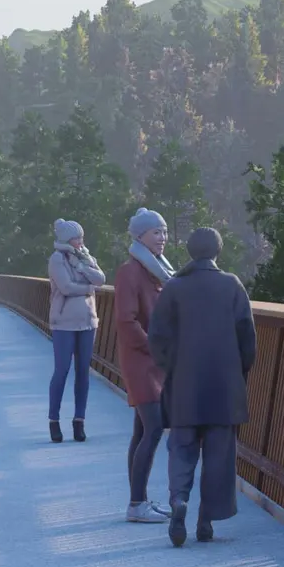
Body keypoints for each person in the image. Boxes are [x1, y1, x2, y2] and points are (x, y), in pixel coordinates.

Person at [147, 227, 256, 547]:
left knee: (181, 447)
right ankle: (205, 520)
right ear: (217, 252)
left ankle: (179, 499)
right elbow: (247, 339)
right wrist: (238, 372)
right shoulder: (232, 286)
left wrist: (172, 368)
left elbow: (157, 337)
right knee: (218, 455)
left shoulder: (174, 288)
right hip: (223, 386)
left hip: (185, 385)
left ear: (191, 252)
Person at [115, 208, 175, 523]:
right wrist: (153, 345)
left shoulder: (157, 271)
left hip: (155, 361)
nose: (162, 238)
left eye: (164, 231)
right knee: (152, 429)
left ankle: (139, 501)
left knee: (142, 431)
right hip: (140, 360)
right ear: (139, 236)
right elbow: (125, 320)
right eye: (156, 232)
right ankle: (136, 504)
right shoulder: (130, 272)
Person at [47, 218, 107, 442]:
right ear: (66, 239)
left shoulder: (86, 257)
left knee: (83, 372)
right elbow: (65, 287)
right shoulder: (57, 259)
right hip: (63, 322)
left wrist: (83, 266)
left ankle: (79, 421)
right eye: (76, 238)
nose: (80, 241)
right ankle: (54, 421)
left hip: (87, 321)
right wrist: (88, 287)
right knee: (61, 371)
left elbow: (101, 278)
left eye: (81, 237)